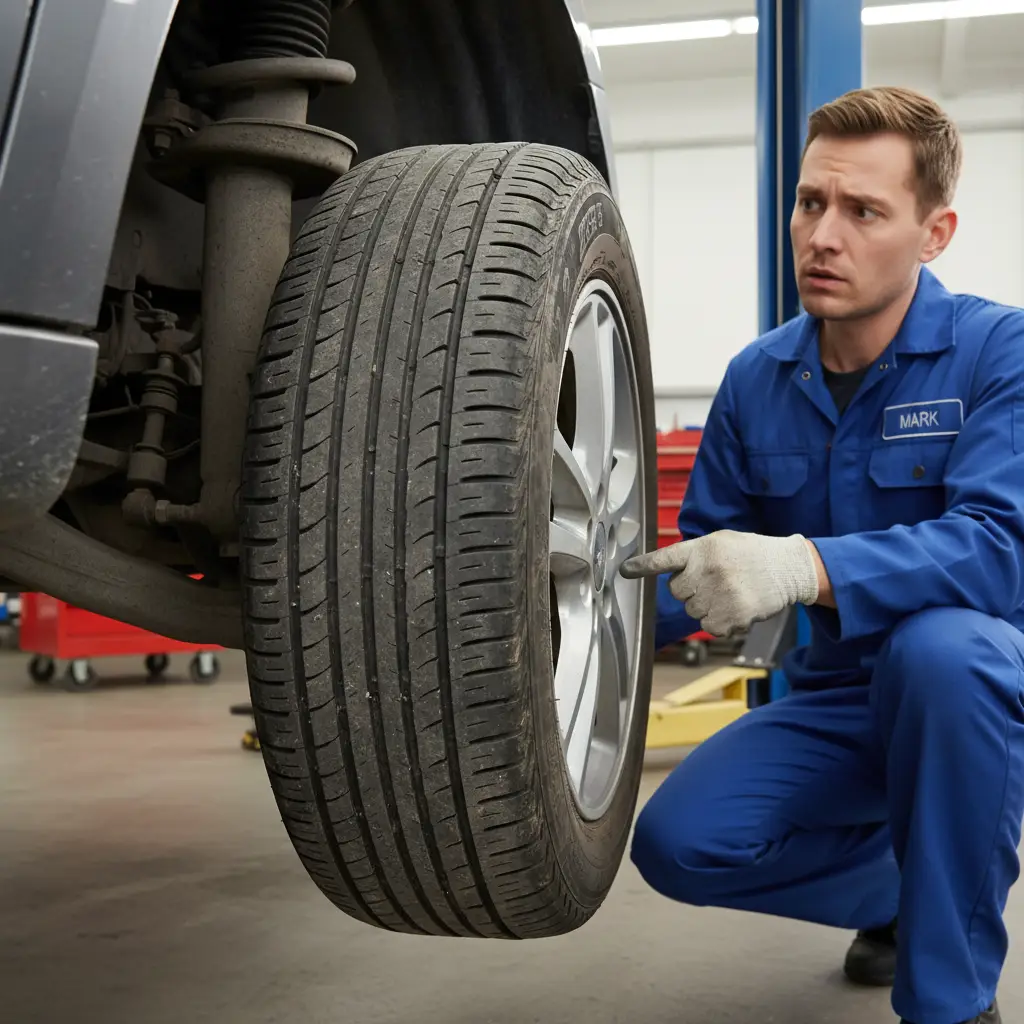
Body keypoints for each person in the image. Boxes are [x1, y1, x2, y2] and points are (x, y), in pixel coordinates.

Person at [621, 85, 1024, 1024]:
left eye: (863, 211)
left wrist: (806, 566)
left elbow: (1003, 550)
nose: (822, 236)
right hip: (841, 703)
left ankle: (950, 1004)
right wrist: (550, 611)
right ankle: (904, 886)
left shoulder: (999, 354)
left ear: (935, 233)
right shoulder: (757, 379)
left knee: (942, 651)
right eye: (811, 203)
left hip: (986, 694)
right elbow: (698, 576)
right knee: (680, 845)